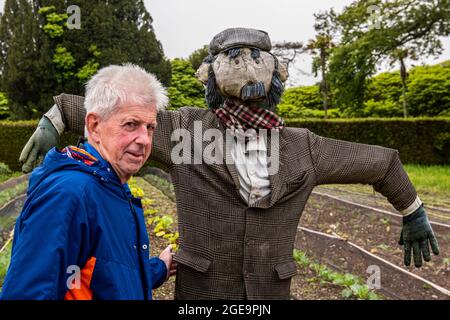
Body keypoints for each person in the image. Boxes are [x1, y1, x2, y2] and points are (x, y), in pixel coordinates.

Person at [18, 28, 439, 300]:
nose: (245, 63)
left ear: (274, 71)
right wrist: (55, 119)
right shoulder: (186, 131)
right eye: (234, 56)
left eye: (255, 55)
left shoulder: (303, 147)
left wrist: (413, 209)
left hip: (270, 296)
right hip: (200, 297)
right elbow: (114, 111)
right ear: (211, 73)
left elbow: (380, 163)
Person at [1, 64, 177, 300]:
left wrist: (158, 269)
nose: (144, 139)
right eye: (131, 124)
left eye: (150, 127)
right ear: (94, 126)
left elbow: (106, 271)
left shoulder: (113, 186)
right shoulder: (69, 194)